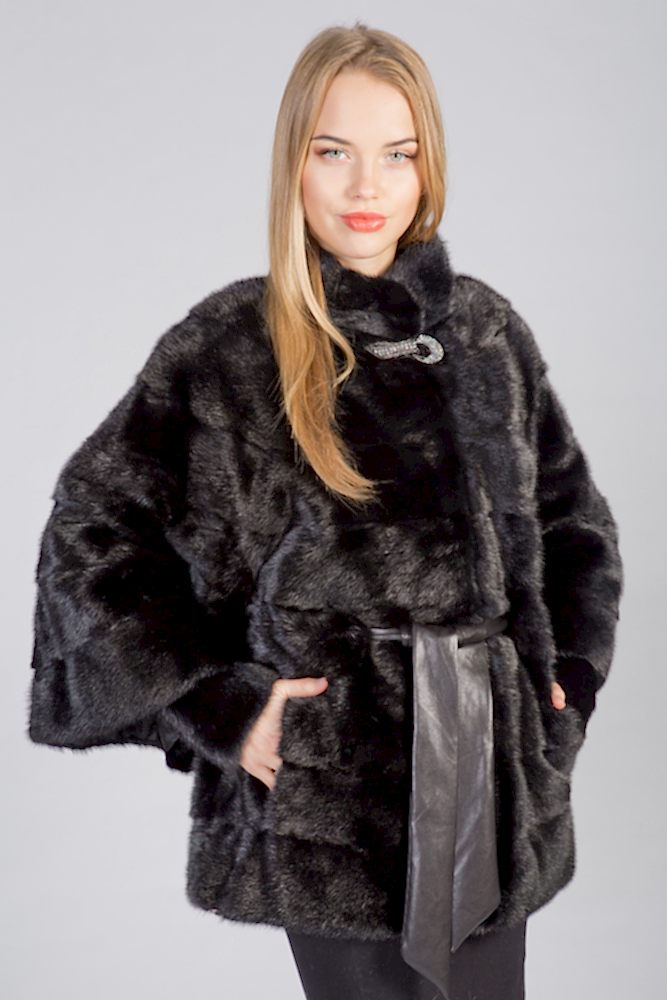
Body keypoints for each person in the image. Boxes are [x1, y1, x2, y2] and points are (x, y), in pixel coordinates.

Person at [27, 21, 624, 1000]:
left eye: (397, 154)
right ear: (292, 166)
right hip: (334, 803)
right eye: (333, 151)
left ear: (428, 167)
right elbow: (91, 529)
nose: (365, 186)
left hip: (486, 779)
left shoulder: (484, 331)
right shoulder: (233, 345)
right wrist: (219, 704)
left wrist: (564, 682)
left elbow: (571, 522)